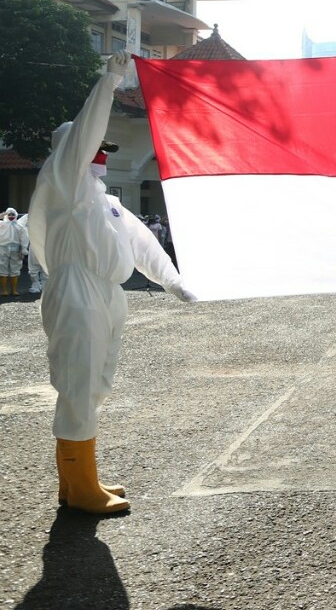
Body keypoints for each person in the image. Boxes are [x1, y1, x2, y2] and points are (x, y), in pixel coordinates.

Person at [28, 54, 197, 515]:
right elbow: (83, 134)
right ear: (73, 151)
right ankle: (81, 487)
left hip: (106, 292)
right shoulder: (63, 182)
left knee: (96, 383)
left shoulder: (106, 202)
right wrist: (110, 81)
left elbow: (142, 244)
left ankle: (77, 478)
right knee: (78, 383)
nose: (101, 153)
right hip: (76, 290)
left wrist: (174, 283)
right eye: (94, 146)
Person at [0, 206, 29, 296]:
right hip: (2, 248)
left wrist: (23, 249)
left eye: (13, 214)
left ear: (16, 215)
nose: (11, 216)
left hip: (16, 249)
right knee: (2, 268)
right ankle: (4, 290)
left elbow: (24, 238)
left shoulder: (19, 226)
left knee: (15, 269)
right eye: (9, 214)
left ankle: (14, 290)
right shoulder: (1, 224)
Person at [17, 213, 47, 294]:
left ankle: (45, 286)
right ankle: (35, 285)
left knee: (46, 267)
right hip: (34, 244)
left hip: (47, 245)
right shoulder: (29, 216)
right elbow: (19, 225)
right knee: (33, 267)